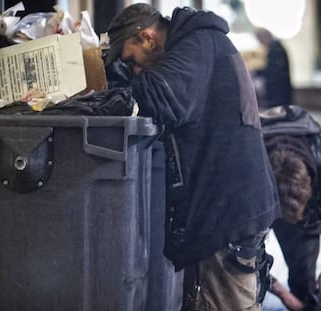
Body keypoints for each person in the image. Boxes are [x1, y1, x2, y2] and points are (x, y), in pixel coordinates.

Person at [106, 3, 280, 310]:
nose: (135, 69)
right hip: (229, 209)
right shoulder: (200, 43)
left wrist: (117, 79)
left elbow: (162, 97)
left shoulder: (197, 44)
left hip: (227, 213)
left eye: (131, 60)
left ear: (147, 37)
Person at [260, 105, 321, 310]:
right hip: (264, 195)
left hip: (310, 208)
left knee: (304, 279)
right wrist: (278, 290)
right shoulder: (249, 170)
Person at [253, 28, 293, 109]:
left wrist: (258, 72)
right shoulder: (275, 47)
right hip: (278, 90)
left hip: (279, 91)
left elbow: (274, 70)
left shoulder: (276, 49)